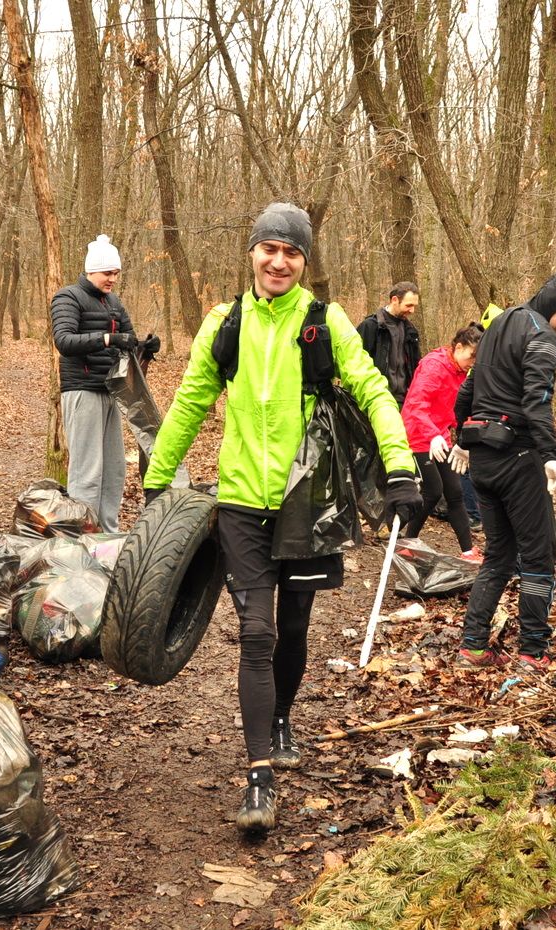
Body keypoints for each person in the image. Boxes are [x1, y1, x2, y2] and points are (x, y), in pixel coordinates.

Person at [141, 203, 421, 833]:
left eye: (292, 252)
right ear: (252, 253)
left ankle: (282, 717)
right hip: (241, 501)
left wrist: (400, 466)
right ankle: (259, 777)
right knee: (256, 633)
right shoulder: (225, 323)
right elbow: (189, 402)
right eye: (269, 248)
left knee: (293, 628)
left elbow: (374, 390)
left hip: (308, 503)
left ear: (304, 261)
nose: (279, 261)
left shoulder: (325, 322)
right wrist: (159, 479)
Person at [450, 268, 556, 670]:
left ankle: (473, 646)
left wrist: (463, 437)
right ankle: (533, 650)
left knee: (499, 555)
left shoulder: (497, 325)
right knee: (539, 555)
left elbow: (468, 390)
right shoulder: (542, 337)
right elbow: (536, 400)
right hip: (519, 458)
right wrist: (550, 455)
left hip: (483, 459)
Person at [50, 235, 160, 533]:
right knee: (87, 470)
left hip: (112, 391)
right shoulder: (68, 297)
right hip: (82, 389)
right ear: (91, 270)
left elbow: (129, 341)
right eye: (107, 273)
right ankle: (82, 536)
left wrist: (146, 347)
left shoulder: (113, 302)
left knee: (113, 470)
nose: (113, 279)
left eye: (116, 273)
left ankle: (108, 534)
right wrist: (108, 338)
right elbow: (64, 341)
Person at [399, 323, 483, 560]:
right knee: (433, 491)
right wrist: (432, 434)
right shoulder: (434, 365)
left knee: (454, 492)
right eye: (471, 356)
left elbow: (455, 407)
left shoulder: (462, 372)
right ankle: (406, 542)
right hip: (417, 432)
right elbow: (416, 404)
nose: (473, 362)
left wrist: (466, 437)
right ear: (459, 347)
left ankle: (468, 551)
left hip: (440, 435)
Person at [356, 282, 422, 407]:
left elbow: (416, 367)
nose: (412, 310)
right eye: (409, 305)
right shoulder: (370, 326)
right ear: (394, 300)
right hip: (376, 400)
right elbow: (356, 365)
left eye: (414, 306)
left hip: (405, 401)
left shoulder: (411, 331)